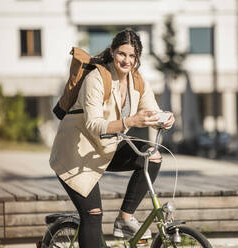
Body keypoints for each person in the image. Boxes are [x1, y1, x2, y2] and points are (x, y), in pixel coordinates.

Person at [49, 28, 175, 247]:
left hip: (104, 149)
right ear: (112, 52)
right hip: (75, 154)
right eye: (122, 54)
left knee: (151, 156)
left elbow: (151, 112)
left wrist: (164, 118)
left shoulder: (137, 81)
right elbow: (93, 124)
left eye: (132, 56)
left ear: (137, 59)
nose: (126, 60)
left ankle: (125, 218)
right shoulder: (97, 78)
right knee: (93, 214)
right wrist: (131, 121)